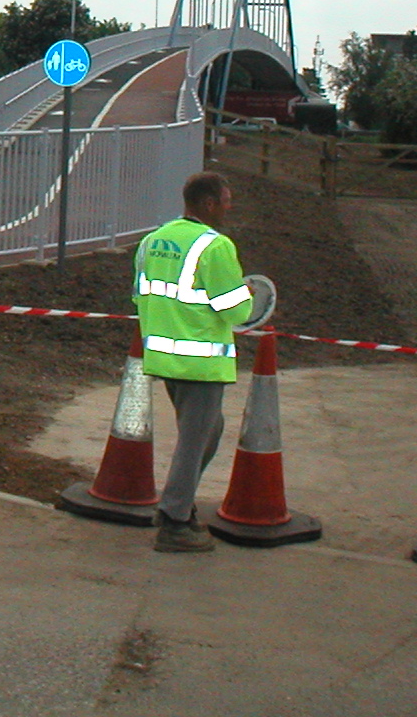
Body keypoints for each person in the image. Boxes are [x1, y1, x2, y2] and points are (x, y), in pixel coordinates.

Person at [134, 170, 253, 552]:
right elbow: (236, 311)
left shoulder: (153, 240)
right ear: (208, 204)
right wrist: (249, 294)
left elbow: (140, 296)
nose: (229, 207)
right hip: (200, 362)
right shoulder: (216, 246)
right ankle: (174, 521)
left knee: (208, 430)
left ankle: (176, 503)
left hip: (166, 358)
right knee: (195, 440)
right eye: (226, 200)